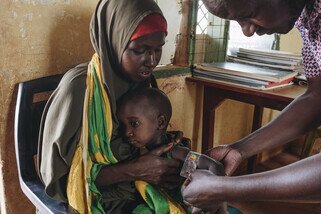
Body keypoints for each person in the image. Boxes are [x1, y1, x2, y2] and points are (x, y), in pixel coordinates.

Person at [37, 0, 187, 213]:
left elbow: (136, 142)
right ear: (114, 41)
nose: (152, 61)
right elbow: (62, 179)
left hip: (139, 192)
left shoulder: (140, 83)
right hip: (98, 201)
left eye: (158, 49)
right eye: (140, 50)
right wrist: (134, 171)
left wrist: (162, 142)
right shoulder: (80, 89)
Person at [181, 0, 321, 210]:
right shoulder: (307, 16)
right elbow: (317, 97)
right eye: (238, 21)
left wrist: (225, 189)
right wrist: (239, 149)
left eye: (251, 13)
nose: (246, 31)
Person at [116, 87, 229, 214]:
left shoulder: (176, 151)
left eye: (134, 123)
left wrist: (218, 200)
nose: (127, 133)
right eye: (123, 125)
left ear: (161, 122)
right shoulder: (136, 152)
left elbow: (214, 165)